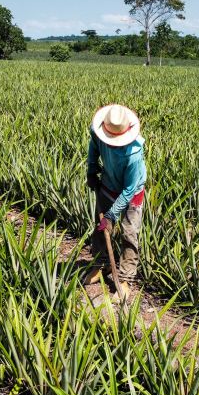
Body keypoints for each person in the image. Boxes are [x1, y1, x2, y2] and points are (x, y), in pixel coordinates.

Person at [84, 104, 147, 294]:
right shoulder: (99, 132)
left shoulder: (134, 154)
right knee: (101, 228)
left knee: (129, 233)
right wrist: (91, 169)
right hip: (108, 183)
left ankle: (126, 277)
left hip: (132, 193)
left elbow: (129, 190)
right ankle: (101, 264)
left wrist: (111, 215)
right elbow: (94, 146)